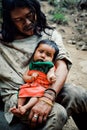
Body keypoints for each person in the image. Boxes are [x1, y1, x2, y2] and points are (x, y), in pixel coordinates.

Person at [0, 0, 87, 130]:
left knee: (77, 94)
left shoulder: (49, 35)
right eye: (19, 20)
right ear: (10, 21)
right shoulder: (2, 43)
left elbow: (62, 65)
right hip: (18, 96)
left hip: (44, 88)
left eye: (30, 15)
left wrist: (48, 96)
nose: (28, 23)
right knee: (57, 113)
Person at [10, 39, 59, 115]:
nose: (43, 56)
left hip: (41, 86)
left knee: (36, 95)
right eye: (41, 52)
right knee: (22, 91)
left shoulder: (50, 65)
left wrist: (51, 77)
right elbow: (25, 77)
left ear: (52, 60)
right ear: (35, 52)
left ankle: (25, 108)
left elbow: (50, 74)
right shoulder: (32, 65)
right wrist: (31, 78)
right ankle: (19, 107)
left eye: (48, 55)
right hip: (31, 85)